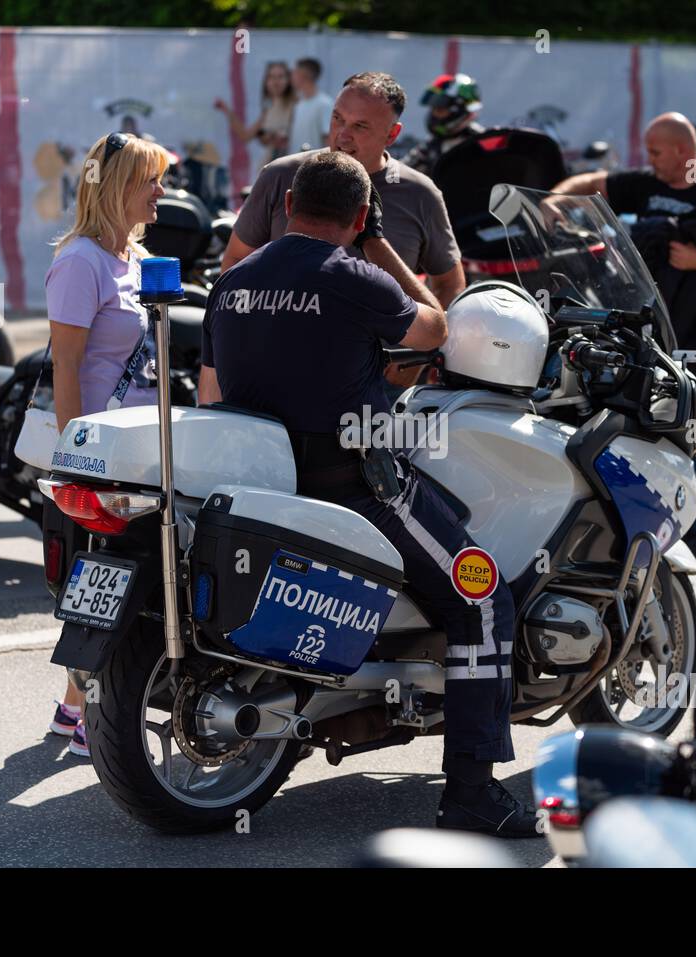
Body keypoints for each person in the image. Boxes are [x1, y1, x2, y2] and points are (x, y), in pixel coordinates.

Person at [199, 151, 538, 837]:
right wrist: (377, 242)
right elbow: (438, 326)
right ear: (356, 217)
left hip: (255, 485)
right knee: (482, 599)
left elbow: (210, 396)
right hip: (353, 486)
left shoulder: (230, 284)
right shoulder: (355, 277)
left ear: (288, 200)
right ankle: (471, 792)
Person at [550, 113, 696, 560]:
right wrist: (554, 201)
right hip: (648, 324)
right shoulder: (649, 183)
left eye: (655, 151)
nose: (647, 160)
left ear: (682, 152)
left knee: (691, 422)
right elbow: (593, 181)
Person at [43, 131, 171, 757]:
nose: (162, 191)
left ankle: (73, 713)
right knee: (107, 587)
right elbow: (64, 366)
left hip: (142, 452)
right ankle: (84, 717)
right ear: (118, 186)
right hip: (100, 455)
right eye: (151, 179)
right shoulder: (80, 261)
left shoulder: (135, 260)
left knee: (124, 585)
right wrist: (76, 460)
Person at [222, 72, 464, 311]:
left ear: (392, 134)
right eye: (337, 119)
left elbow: (449, 283)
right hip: (286, 347)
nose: (342, 136)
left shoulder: (420, 193)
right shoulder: (280, 175)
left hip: (384, 350)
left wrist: (421, 343)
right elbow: (235, 262)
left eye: (360, 126)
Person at [215, 61, 294, 172]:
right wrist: (226, 111)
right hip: (270, 169)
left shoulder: (296, 105)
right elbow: (246, 135)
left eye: (280, 76)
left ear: (289, 80)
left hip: (289, 168)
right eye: (271, 77)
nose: (276, 82)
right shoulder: (268, 109)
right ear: (266, 82)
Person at [404, 73, 486, 177]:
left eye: (440, 109)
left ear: (459, 110)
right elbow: (401, 173)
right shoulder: (431, 145)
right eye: (433, 108)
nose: (434, 114)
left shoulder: (482, 144)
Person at [287, 57, 332, 153]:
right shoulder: (298, 104)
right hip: (295, 165)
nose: (291, 76)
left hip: (314, 166)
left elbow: (328, 139)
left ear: (303, 75)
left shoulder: (324, 103)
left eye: (294, 72)